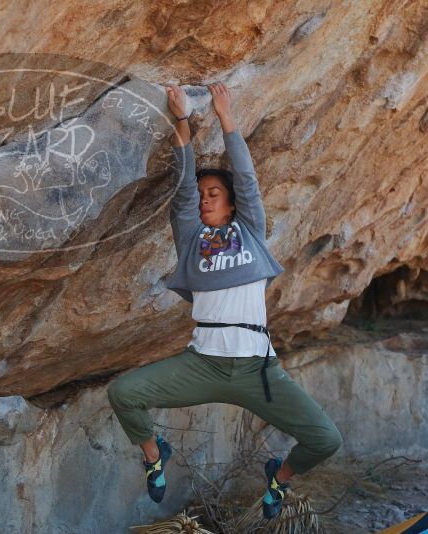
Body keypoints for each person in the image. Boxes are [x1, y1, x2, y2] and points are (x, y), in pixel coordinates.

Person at [106, 82, 343, 519]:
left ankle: (279, 477)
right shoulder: (191, 239)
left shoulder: (250, 228)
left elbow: (248, 181)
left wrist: (225, 116)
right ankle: (154, 452)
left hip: (258, 369)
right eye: (202, 196)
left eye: (213, 194)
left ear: (232, 205)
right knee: (123, 392)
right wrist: (181, 120)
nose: (204, 200)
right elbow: (181, 189)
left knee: (326, 440)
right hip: (204, 364)